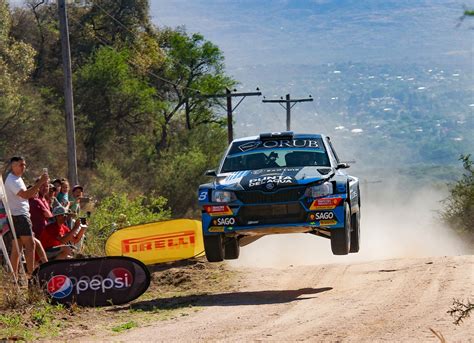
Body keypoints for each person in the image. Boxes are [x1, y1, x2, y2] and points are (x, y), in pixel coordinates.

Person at [4, 156, 49, 277]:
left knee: (17, 248)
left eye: (24, 164)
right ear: (13, 166)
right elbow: (25, 195)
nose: (23, 167)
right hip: (20, 216)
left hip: (17, 215)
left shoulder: (17, 179)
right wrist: (40, 183)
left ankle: (14, 278)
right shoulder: (12, 180)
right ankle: (32, 276)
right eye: (20, 165)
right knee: (30, 245)